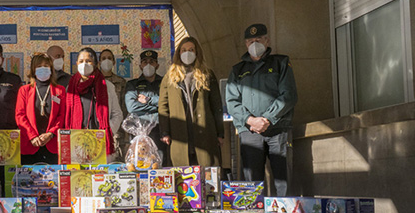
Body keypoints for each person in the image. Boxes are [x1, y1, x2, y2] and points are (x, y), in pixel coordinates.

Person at [226, 23, 297, 196]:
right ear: (245, 44)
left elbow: (288, 95)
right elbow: (232, 101)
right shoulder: (238, 70)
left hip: (277, 128)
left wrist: (267, 119)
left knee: (283, 178)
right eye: (250, 40)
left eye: (258, 39)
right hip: (249, 131)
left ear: (267, 40)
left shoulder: (281, 62)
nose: (254, 43)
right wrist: (251, 120)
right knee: (252, 183)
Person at [158, 37, 224, 167]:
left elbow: (216, 105)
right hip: (179, 131)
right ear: (178, 53)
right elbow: (163, 106)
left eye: (191, 50)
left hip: (204, 131)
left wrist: (220, 133)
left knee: (207, 172)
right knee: (182, 175)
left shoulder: (207, 75)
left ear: (197, 52)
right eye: (183, 50)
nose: (187, 53)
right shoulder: (169, 77)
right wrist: (165, 132)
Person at [64, 47, 124, 162]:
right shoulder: (70, 88)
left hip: (100, 143)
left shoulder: (107, 86)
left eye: (88, 61)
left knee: (100, 178)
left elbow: (117, 114)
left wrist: (106, 133)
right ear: (76, 63)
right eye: (81, 61)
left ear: (96, 64)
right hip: (77, 143)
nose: (84, 64)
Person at [15, 53, 67, 165]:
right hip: (30, 145)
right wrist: (32, 136)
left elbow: (62, 116)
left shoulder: (60, 90)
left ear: (51, 69)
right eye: (39, 66)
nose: (43, 68)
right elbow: (20, 116)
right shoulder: (24, 90)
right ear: (33, 69)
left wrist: (50, 134)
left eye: (46, 66)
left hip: (52, 146)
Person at [124, 50, 167, 163]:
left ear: (157, 65)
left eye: (152, 62)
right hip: (139, 133)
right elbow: (132, 107)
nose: (148, 65)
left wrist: (147, 100)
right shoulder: (132, 85)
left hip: (160, 131)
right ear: (140, 66)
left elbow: (169, 104)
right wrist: (158, 106)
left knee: (160, 163)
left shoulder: (164, 83)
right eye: (145, 62)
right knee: (140, 162)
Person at [99, 48, 128, 160]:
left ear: (114, 62)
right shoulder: (95, 81)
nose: (107, 61)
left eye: (109, 58)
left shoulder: (120, 82)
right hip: (100, 130)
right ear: (99, 62)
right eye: (104, 58)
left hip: (117, 131)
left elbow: (124, 109)